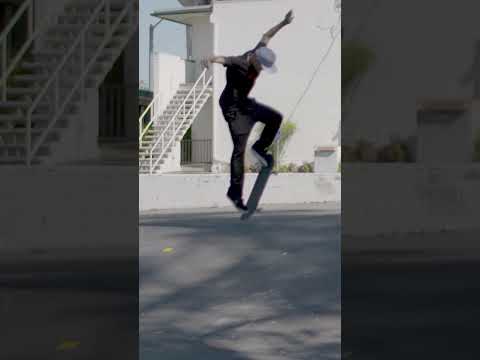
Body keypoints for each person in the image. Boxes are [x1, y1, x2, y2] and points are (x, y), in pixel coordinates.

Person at [202, 10, 294, 211]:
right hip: (232, 108)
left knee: (275, 118)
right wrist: (208, 59)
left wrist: (283, 22)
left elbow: (267, 36)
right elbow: (221, 59)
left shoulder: (259, 51)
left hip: (245, 103)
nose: (261, 71)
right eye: (261, 67)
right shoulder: (240, 61)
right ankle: (235, 194)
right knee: (239, 149)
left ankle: (260, 148)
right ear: (255, 60)